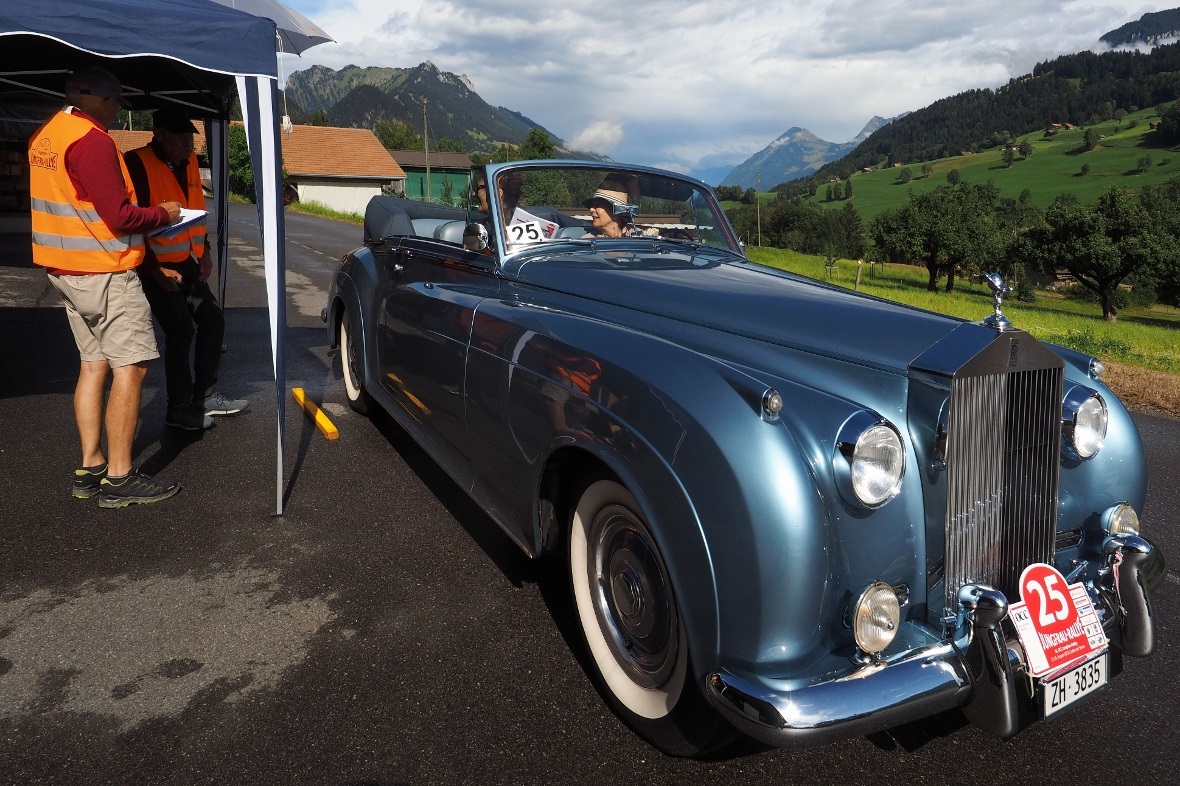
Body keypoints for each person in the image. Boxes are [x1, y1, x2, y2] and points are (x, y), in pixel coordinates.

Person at [28, 66, 182, 508]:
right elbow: (120, 217)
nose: (116, 111)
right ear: (93, 97)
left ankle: (91, 465)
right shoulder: (92, 141)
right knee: (131, 368)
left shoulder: (49, 135)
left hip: (67, 272)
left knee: (93, 366)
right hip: (105, 272)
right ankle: (119, 477)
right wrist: (165, 214)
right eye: (114, 102)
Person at [124, 107, 247, 430]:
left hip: (187, 261)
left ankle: (205, 395)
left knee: (213, 320)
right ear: (158, 133)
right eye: (179, 136)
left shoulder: (191, 161)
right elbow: (131, 222)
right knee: (180, 329)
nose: (187, 143)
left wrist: (204, 251)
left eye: (190, 136)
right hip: (154, 264)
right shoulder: (137, 163)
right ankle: (178, 409)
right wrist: (154, 271)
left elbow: (196, 208)